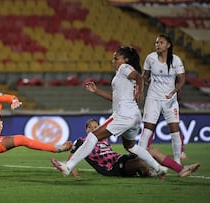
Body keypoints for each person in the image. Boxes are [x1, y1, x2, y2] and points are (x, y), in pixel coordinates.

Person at [51, 46, 168, 179]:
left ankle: (68, 166)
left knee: (92, 136)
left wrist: (141, 91)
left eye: (116, 58)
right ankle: (159, 168)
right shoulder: (122, 77)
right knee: (130, 146)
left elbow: (138, 77)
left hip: (124, 114)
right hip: (134, 115)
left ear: (126, 60)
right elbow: (115, 97)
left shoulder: (124, 68)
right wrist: (96, 91)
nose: (113, 60)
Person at [69, 119, 200, 178]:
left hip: (121, 159)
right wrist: (76, 175)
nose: (94, 129)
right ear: (86, 129)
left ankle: (181, 169)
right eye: (91, 127)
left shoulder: (104, 138)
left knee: (151, 151)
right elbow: (71, 158)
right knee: (141, 163)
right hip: (112, 168)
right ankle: (148, 173)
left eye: (96, 126)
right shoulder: (81, 141)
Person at [139, 33, 187, 164]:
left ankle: (177, 161)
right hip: (153, 98)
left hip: (170, 100)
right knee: (147, 129)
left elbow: (182, 79)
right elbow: (145, 76)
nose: (157, 45)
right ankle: (141, 160)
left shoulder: (176, 60)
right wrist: (146, 85)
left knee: (174, 130)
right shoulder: (150, 58)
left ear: (168, 45)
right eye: (156, 43)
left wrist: (174, 92)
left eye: (161, 43)